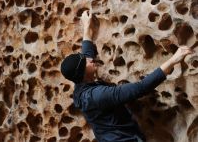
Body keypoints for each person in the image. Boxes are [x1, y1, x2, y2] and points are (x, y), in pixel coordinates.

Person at [60, 11, 194, 142]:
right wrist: (173, 60)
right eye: (86, 63)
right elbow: (141, 88)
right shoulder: (96, 96)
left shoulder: (81, 81)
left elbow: (86, 52)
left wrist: (87, 26)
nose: (90, 60)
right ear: (83, 73)